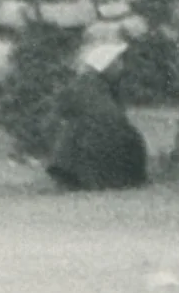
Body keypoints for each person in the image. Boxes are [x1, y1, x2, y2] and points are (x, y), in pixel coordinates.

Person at [45, 33, 148, 192]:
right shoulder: (92, 88)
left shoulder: (86, 86)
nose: (122, 67)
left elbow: (57, 115)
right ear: (107, 67)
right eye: (118, 62)